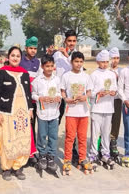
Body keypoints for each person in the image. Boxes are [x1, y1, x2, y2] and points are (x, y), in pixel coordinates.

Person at [0, 46, 36, 181]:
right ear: (8, 57)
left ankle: (18, 167)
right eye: (13, 55)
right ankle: (6, 168)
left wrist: (30, 110)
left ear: (20, 58)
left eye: (18, 56)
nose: (15, 58)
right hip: (6, 113)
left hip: (22, 114)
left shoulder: (25, 73)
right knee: (6, 140)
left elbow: (28, 94)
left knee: (22, 139)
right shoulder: (1, 73)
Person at [48, 29, 80, 164]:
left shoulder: (77, 55)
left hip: (72, 95)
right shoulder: (57, 55)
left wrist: (67, 55)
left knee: (72, 124)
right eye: (69, 41)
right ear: (65, 41)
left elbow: (79, 69)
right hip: (58, 93)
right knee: (56, 121)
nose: (71, 43)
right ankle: (50, 151)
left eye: (74, 41)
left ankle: (72, 150)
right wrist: (49, 54)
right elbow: (49, 67)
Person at [61, 52, 93, 175]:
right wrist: (66, 99)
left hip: (84, 112)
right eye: (76, 61)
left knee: (82, 137)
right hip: (71, 111)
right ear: (71, 62)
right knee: (70, 137)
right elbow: (63, 91)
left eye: (81, 61)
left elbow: (89, 92)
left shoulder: (86, 76)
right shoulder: (66, 76)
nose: (78, 64)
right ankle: (67, 160)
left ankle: (82, 158)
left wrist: (85, 97)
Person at [31, 54, 61, 175]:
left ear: (54, 66)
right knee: (42, 135)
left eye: (51, 66)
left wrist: (58, 98)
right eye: (47, 66)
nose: (49, 68)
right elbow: (33, 94)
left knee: (53, 135)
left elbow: (59, 93)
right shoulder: (38, 81)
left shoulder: (57, 79)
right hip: (42, 113)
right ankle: (42, 155)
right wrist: (40, 98)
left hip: (54, 113)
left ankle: (51, 156)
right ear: (42, 66)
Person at [88, 50, 117, 169]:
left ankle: (105, 153)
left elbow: (115, 90)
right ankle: (93, 155)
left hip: (109, 108)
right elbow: (90, 93)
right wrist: (98, 93)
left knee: (106, 133)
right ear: (97, 62)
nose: (104, 64)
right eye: (102, 62)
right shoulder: (94, 75)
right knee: (95, 134)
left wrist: (112, 92)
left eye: (106, 61)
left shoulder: (111, 74)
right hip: (97, 108)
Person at [19, 36, 40, 149]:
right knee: (23, 125)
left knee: (32, 124)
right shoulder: (20, 60)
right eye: (31, 48)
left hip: (33, 99)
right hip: (22, 98)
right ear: (26, 48)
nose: (33, 50)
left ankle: (32, 149)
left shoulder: (37, 62)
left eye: (35, 48)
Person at [109, 47, 123, 162]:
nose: (115, 60)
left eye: (117, 58)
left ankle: (113, 143)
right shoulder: (106, 70)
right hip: (106, 100)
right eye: (113, 58)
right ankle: (101, 143)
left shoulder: (122, 71)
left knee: (116, 122)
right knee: (105, 123)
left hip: (118, 100)